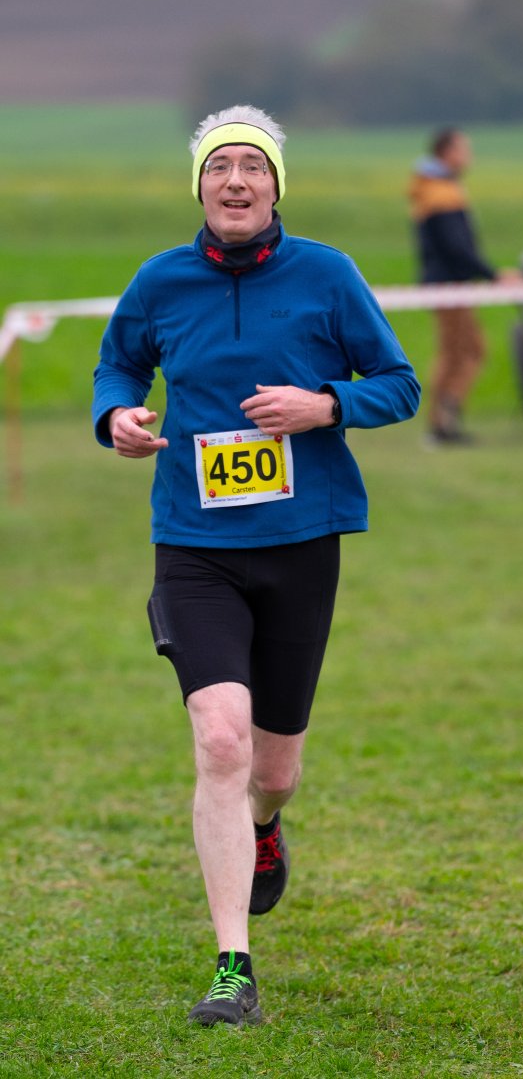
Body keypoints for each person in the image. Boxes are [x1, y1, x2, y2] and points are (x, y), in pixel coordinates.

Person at [92, 104, 420, 1027]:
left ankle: (267, 828)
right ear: (198, 184)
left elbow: (399, 384)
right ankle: (232, 965)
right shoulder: (160, 280)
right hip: (194, 543)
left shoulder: (328, 275)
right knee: (222, 741)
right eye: (219, 166)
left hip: (300, 543)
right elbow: (117, 368)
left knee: (273, 770)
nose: (235, 181)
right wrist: (118, 418)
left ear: (276, 185)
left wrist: (326, 405)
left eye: (252, 167)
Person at [408, 127, 513, 444]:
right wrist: (494, 275)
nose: (468, 157)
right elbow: (457, 249)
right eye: (464, 150)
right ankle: (442, 423)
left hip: (446, 283)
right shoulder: (441, 193)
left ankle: (442, 421)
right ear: (447, 153)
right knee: (466, 351)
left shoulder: (430, 187)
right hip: (449, 285)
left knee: (456, 351)